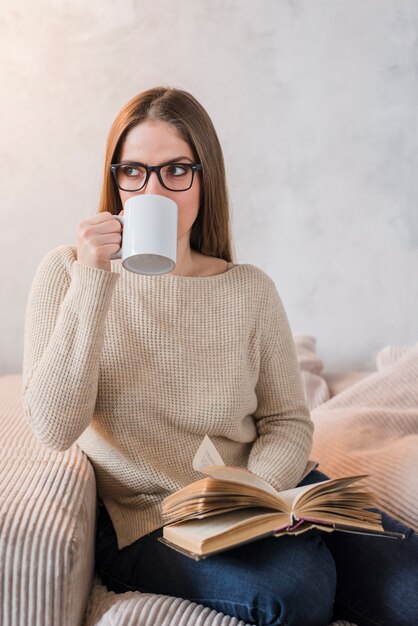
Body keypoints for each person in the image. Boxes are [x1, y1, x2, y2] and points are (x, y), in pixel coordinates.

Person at [22, 86, 418, 626]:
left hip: (269, 494)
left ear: (205, 177)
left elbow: (284, 421)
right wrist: (94, 279)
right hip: (154, 522)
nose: (152, 191)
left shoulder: (249, 289)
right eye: (133, 172)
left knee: (409, 585)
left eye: (175, 170)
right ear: (114, 179)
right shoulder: (68, 272)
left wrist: (261, 493)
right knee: (295, 590)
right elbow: (52, 427)